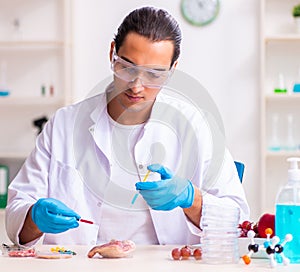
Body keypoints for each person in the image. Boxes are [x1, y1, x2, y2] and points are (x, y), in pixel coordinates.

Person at [6, 6, 249, 246]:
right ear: (112, 54)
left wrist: (191, 199)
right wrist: (34, 219)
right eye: (128, 67)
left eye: (154, 74)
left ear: (172, 70)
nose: (136, 86)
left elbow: (239, 221)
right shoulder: (64, 124)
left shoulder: (195, 127)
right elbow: (17, 215)